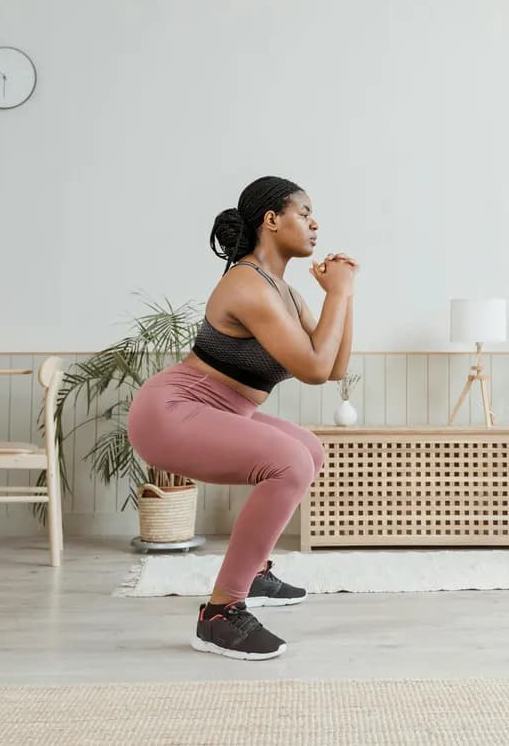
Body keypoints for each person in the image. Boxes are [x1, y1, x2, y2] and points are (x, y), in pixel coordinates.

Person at [128, 176, 356, 660]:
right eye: (304, 212)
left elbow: (334, 366)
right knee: (290, 462)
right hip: (173, 411)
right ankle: (220, 613)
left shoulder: (286, 293)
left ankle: (252, 572)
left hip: (221, 409)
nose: (316, 223)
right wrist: (337, 292)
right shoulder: (246, 284)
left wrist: (345, 295)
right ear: (271, 220)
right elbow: (314, 369)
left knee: (308, 450)